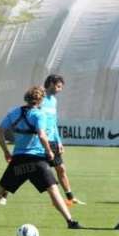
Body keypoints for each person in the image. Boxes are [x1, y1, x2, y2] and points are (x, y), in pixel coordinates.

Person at [0, 86, 82, 229]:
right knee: (53, 190)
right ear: (41, 100)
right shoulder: (39, 115)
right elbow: (42, 135)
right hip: (37, 161)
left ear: (26, 98)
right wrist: (49, 151)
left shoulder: (14, 112)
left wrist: (6, 152)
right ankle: (70, 221)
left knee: (0, 189)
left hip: (19, 160)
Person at [41, 74, 85, 206]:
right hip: (40, 141)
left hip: (52, 141)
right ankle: (4, 193)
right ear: (51, 84)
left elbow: (53, 122)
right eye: (59, 86)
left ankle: (70, 197)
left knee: (61, 168)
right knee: (30, 170)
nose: (60, 89)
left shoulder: (53, 100)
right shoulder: (39, 97)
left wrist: (59, 141)